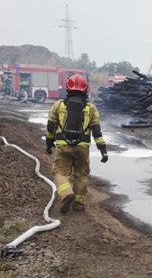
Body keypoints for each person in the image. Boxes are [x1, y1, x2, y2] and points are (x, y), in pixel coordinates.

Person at [45, 74, 108, 213]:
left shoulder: (58, 105)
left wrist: (49, 144)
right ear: (85, 90)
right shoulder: (91, 108)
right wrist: (103, 150)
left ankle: (66, 193)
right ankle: (79, 204)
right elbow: (97, 132)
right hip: (82, 148)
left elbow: (51, 127)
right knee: (81, 175)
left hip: (63, 147)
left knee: (60, 172)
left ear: (68, 89)